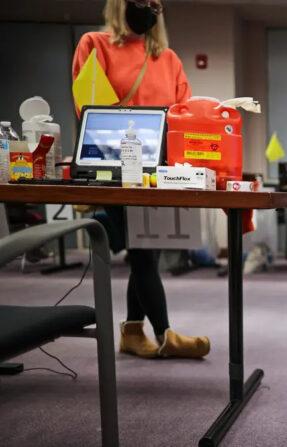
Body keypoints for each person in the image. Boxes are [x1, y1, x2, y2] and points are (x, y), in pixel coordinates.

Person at [72, 0, 209, 359]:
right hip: (115, 171)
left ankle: (133, 330)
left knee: (146, 247)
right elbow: (89, 111)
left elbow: (183, 115)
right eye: (140, 2)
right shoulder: (93, 44)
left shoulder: (170, 59)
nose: (148, 9)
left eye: (155, 4)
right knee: (144, 251)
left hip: (158, 173)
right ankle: (165, 334)